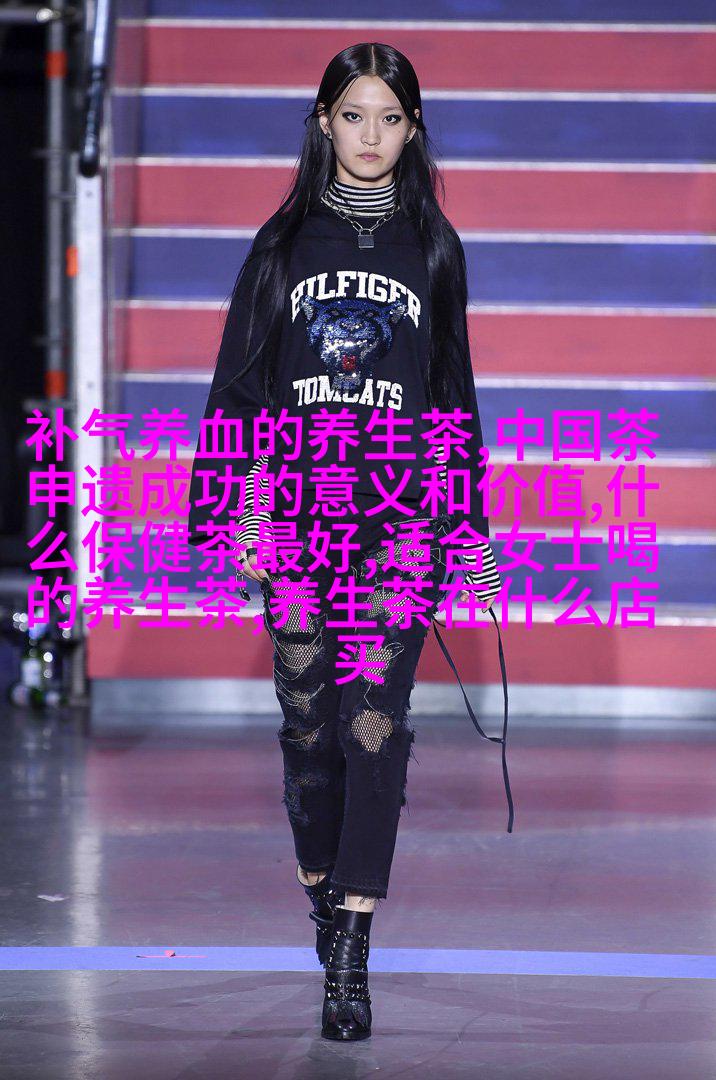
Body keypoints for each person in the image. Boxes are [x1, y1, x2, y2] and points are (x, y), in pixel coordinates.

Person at [186, 42, 509, 1042]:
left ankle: (353, 951)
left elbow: (451, 395)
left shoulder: (435, 247)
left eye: (391, 119)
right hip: (296, 517)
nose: (372, 136)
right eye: (354, 115)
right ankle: (323, 890)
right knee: (309, 734)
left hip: (401, 524)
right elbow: (241, 386)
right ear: (323, 121)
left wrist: (469, 530)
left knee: (374, 727)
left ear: (413, 131)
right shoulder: (281, 244)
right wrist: (236, 506)